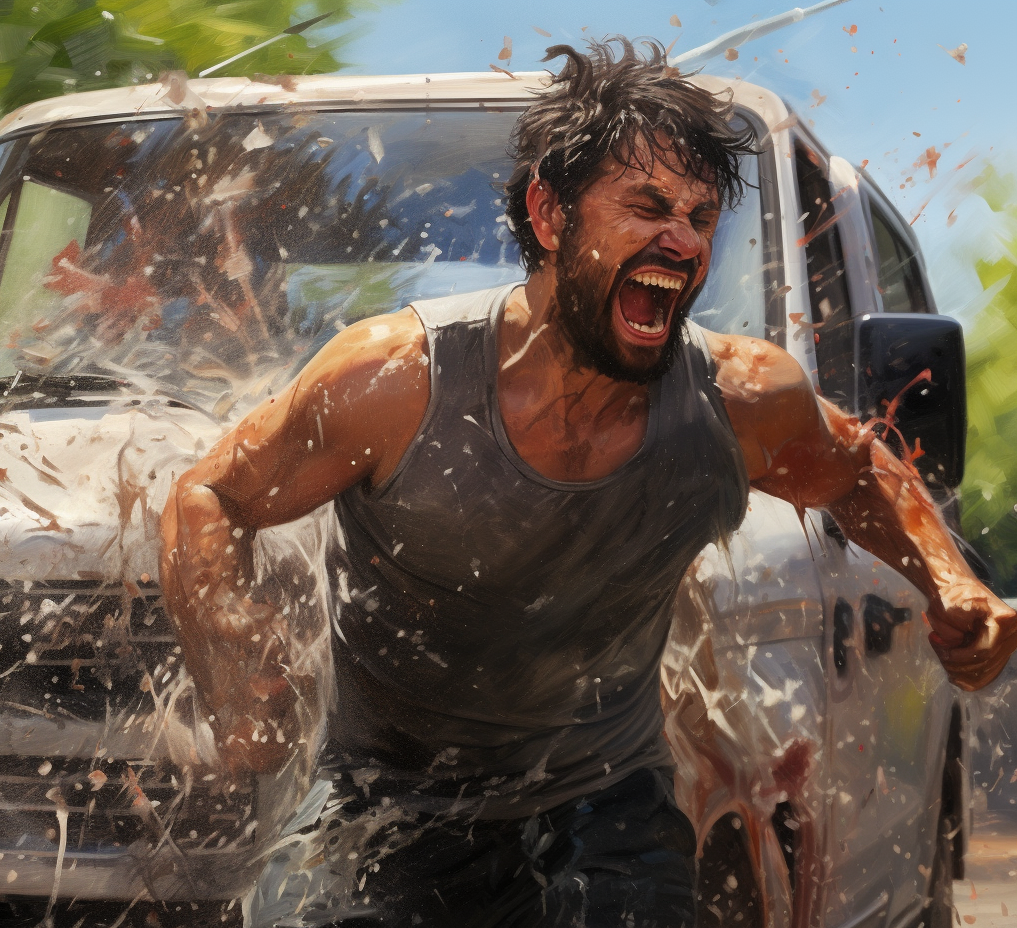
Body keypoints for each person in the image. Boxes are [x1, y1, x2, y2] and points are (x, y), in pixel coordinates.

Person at [159, 37, 1017, 927]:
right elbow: (208, 495)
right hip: (385, 808)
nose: (681, 240)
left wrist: (955, 582)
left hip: (603, 809)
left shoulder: (737, 399)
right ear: (548, 211)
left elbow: (857, 466)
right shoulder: (394, 381)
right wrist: (227, 639)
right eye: (646, 206)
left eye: (699, 215)